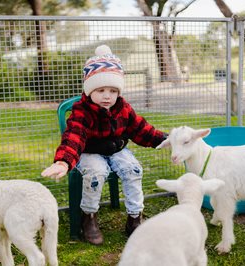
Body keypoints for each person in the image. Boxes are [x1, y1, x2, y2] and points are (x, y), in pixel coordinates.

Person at [42, 45, 167, 245]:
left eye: (112, 90)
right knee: (96, 172)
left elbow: (141, 129)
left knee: (133, 169)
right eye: (100, 90)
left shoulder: (123, 108)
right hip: (89, 152)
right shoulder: (82, 111)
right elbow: (74, 137)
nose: (107, 96)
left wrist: (164, 139)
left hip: (117, 149)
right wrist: (64, 162)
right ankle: (89, 217)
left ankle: (135, 218)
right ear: (90, 90)